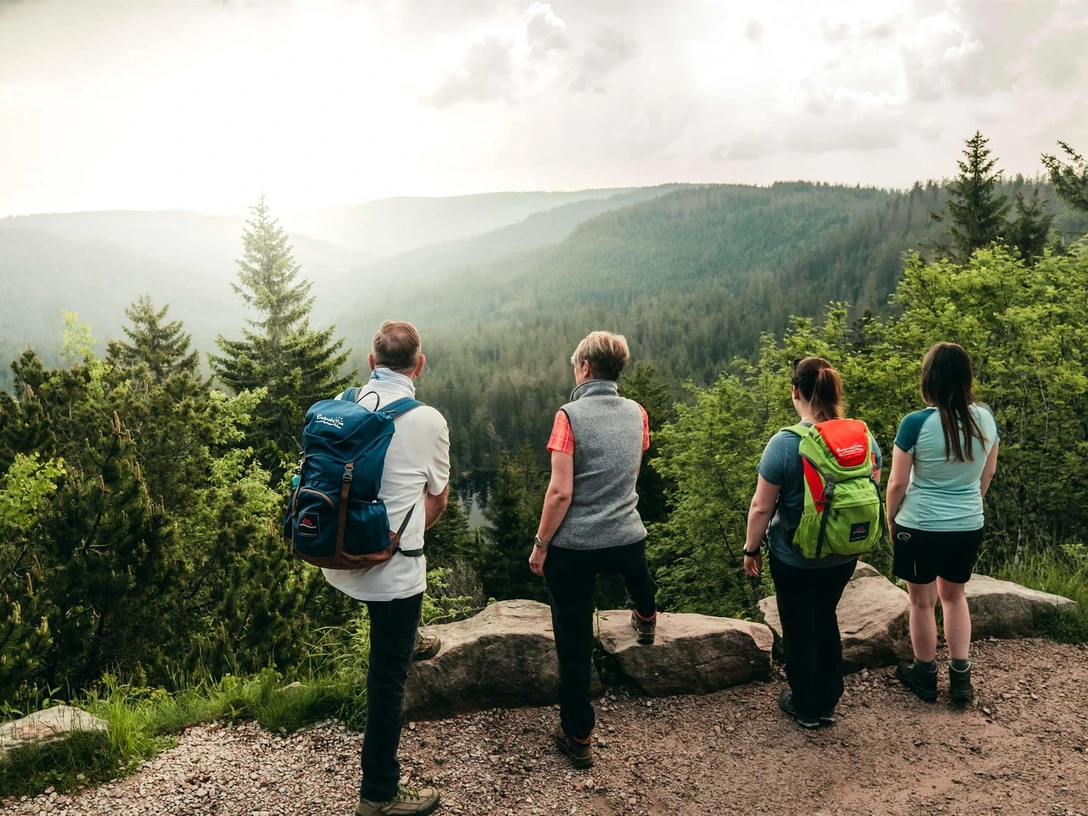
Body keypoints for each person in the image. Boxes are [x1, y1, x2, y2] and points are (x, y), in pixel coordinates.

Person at [322, 320, 450, 816]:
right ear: (419, 366)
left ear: (371, 362)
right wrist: (399, 535)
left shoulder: (345, 404)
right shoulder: (428, 420)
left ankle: (408, 636)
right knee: (387, 682)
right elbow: (437, 501)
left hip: (335, 559)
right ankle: (378, 796)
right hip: (392, 573)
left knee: (393, 628)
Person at [529, 331, 657, 769]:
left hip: (574, 547)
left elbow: (559, 492)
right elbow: (632, 469)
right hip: (626, 536)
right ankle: (646, 616)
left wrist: (541, 544)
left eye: (574, 365)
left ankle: (579, 735)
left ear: (584, 368)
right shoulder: (637, 413)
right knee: (639, 573)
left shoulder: (568, 416)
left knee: (573, 640)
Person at [743, 357, 882, 729]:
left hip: (794, 557)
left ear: (796, 393)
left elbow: (761, 507)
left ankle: (806, 705)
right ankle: (828, 700)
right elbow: (871, 488)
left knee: (798, 626)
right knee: (825, 616)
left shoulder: (785, 443)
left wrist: (751, 549)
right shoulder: (863, 438)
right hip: (843, 555)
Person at [887, 342, 999, 705]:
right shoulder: (985, 418)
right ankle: (961, 680)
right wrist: (968, 505)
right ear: (966, 377)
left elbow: (897, 483)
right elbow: (988, 473)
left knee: (921, 603)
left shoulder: (915, 423)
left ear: (929, 378)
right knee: (955, 597)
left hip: (920, 524)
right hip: (967, 524)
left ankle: (925, 677)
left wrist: (891, 520)